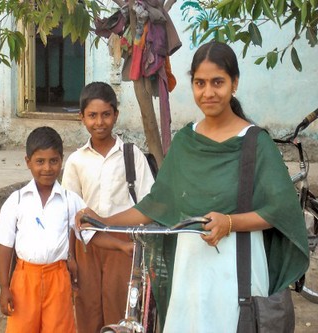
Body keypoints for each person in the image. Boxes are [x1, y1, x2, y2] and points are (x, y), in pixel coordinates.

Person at [76, 42, 309, 332]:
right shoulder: (185, 142)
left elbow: (280, 211)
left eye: (217, 82)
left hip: (239, 270)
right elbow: (155, 205)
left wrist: (230, 222)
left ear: (234, 83)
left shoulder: (256, 143)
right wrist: (102, 222)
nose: (208, 93)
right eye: (200, 83)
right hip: (189, 270)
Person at [0, 126, 132, 333]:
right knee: (21, 328)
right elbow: (5, 245)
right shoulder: (17, 201)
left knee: (59, 328)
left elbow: (91, 235)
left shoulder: (70, 201)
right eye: (40, 161)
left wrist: (122, 246)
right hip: (24, 279)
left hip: (57, 278)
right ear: (28, 162)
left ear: (61, 161)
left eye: (53, 161)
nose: (47, 168)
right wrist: (4, 287)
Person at [61, 82, 155, 333]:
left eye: (105, 114)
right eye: (92, 115)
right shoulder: (76, 161)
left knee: (121, 308)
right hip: (87, 246)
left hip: (123, 244)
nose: (99, 122)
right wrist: (70, 256)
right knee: (87, 308)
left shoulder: (131, 154)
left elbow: (149, 203)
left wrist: (108, 221)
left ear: (116, 115)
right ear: (82, 117)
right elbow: (70, 215)